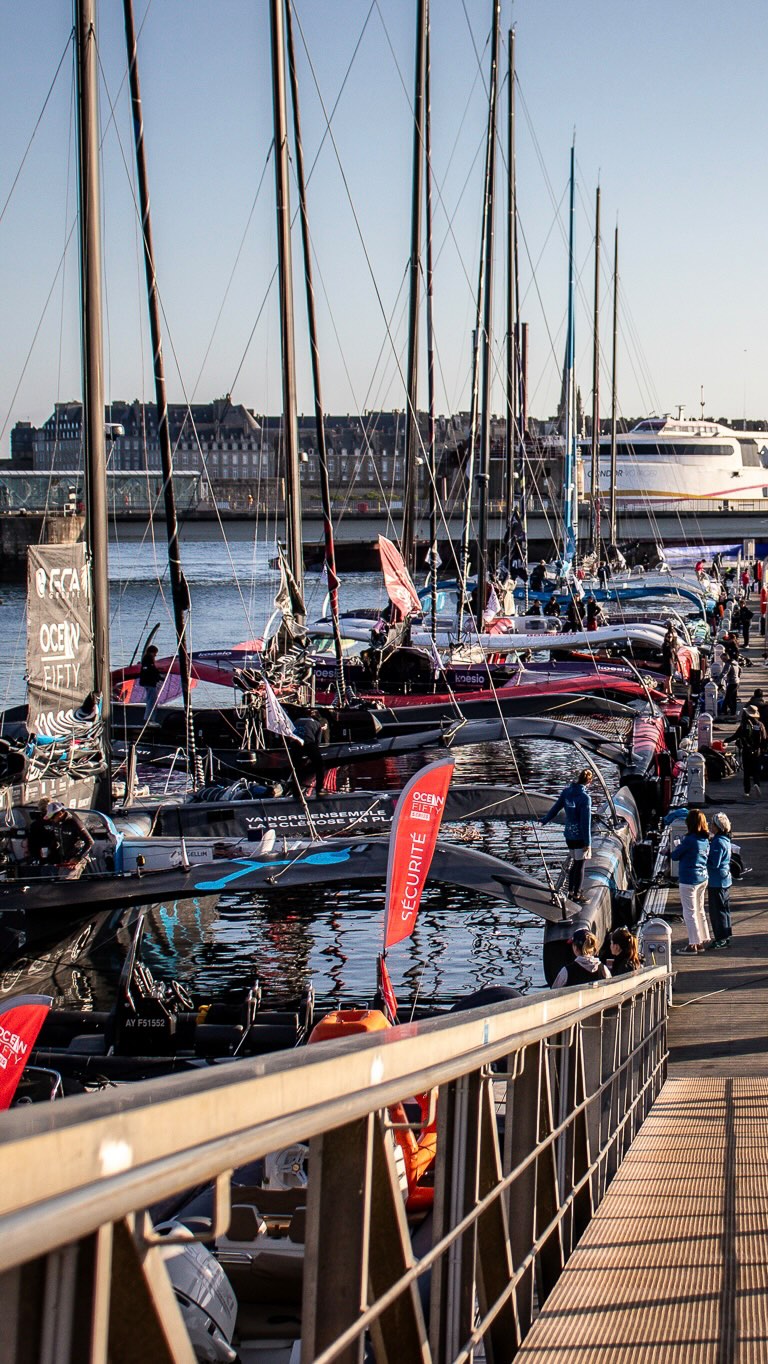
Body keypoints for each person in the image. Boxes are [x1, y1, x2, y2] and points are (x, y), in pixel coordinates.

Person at [541, 768, 594, 902]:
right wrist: (588, 843)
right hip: (580, 837)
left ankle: (570, 891)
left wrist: (545, 820)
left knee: (574, 862)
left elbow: (555, 808)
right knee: (580, 865)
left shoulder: (566, 792)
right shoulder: (585, 798)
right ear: (589, 782)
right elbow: (585, 822)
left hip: (569, 836)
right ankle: (577, 893)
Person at [670, 809, 712, 954]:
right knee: (700, 910)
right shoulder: (705, 839)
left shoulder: (689, 840)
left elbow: (675, 856)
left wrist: (675, 847)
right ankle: (703, 939)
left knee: (689, 912)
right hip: (703, 877)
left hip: (689, 879)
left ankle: (693, 944)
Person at [42, 800, 95, 879]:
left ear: (60, 813)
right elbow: (55, 840)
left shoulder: (74, 822)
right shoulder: (56, 823)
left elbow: (90, 841)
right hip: (65, 859)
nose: (51, 820)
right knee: (56, 880)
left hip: (78, 857)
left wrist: (78, 858)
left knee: (66, 881)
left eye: (52, 817)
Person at [706, 812, 733, 949]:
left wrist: (703, 857)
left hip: (717, 881)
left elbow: (714, 863)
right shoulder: (726, 839)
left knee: (717, 911)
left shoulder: (717, 842)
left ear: (717, 827)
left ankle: (721, 938)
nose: (710, 826)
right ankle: (726, 935)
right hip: (725, 879)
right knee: (724, 909)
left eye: (712, 824)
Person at [291, 712, 328, 797]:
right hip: (309, 743)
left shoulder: (297, 721)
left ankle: (295, 790)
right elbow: (317, 742)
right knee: (320, 766)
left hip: (295, 743)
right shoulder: (317, 724)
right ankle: (319, 789)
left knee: (296, 767)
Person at [733, 704, 766, 797]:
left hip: (746, 750)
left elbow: (736, 735)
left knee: (746, 772)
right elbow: (764, 738)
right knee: (756, 770)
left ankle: (747, 791)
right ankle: (756, 783)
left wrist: (727, 740)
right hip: (757, 751)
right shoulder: (760, 725)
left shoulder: (744, 725)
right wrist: (762, 749)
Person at [139, 644, 162, 724]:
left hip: (147, 683)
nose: (155, 655)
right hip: (150, 683)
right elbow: (151, 671)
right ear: (152, 652)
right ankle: (149, 719)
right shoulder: (149, 660)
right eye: (155, 653)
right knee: (152, 702)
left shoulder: (145, 660)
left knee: (150, 701)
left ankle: (148, 719)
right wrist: (158, 676)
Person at [660, 622, 679, 696]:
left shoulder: (668, 644)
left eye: (671, 637)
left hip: (670, 662)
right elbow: (669, 654)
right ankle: (670, 692)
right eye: (669, 637)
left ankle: (665, 690)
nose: (670, 638)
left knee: (668, 678)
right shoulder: (667, 646)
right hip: (668, 663)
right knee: (669, 678)